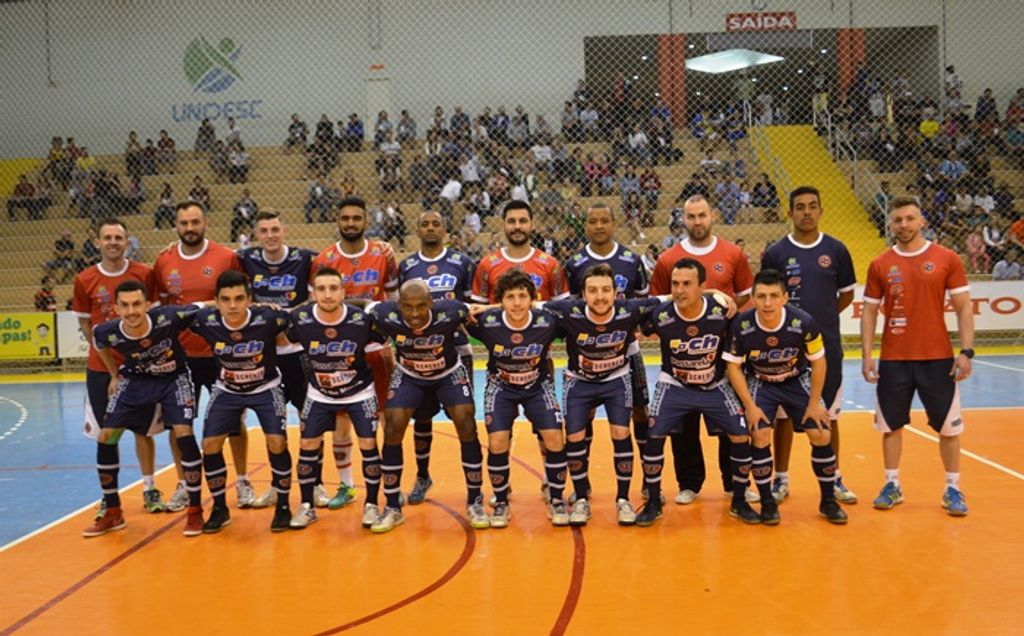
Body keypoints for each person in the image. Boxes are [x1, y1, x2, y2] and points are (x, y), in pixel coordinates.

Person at [861, 196, 974, 517]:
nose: (904, 225)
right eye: (898, 220)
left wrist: (966, 351)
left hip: (938, 358)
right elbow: (869, 312)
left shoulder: (946, 258)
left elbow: (964, 307)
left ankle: (952, 487)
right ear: (890, 224)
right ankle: (891, 484)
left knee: (949, 429)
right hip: (894, 360)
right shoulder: (880, 264)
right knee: (890, 426)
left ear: (922, 220)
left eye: (910, 219)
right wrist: (868, 356)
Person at [650, 195, 756, 506]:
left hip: (723, 355)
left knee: (729, 423)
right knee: (683, 426)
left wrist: (729, 315)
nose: (697, 221)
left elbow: (745, 296)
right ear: (683, 219)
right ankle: (689, 483)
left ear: (713, 215)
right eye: (691, 216)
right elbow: (661, 302)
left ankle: (733, 482)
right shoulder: (669, 258)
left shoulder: (732, 253)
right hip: (681, 354)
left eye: (702, 215)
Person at [635, 259, 755, 526]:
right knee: (654, 433)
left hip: (715, 385)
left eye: (687, 284)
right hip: (675, 384)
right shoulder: (661, 314)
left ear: (702, 286)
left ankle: (739, 498)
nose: (679, 290)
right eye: (675, 284)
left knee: (739, 432)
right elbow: (636, 328)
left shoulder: (722, 311)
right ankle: (653, 501)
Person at [724, 269, 848, 525]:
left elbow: (819, 362)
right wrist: (750, 406)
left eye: (773, 296)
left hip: (796, 379)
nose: (767, 303)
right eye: (761, 297)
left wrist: (814, 404)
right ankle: (768, 502)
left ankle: (828, 501)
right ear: (753, 299)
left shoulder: (803, 322)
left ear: (785, 298)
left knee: (821, 431)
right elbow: (733, 366)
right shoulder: (742, 324)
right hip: (760, 381)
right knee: (759, 433)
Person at [541, 264, 663, 526]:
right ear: (582, 295)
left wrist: (715, 294)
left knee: (621, 433)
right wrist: (484, 309)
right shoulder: (567, 311)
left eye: (606, 290)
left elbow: (670, 298)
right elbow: (528, 306)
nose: (600, 296)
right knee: (574, 436)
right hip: (579, 382)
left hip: (616, 380)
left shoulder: (629, 310)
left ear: (616, 293)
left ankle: (623, 499)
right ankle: (582, 498)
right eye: (593, 291)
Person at [84, 281, 205, 538]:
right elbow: (99, 344)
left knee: (183, 431)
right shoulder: (107, 331)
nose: (131, 311)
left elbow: (207, 305)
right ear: (115, 308)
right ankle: (114, 511)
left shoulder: (169, 317)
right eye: (125, 306)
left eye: (137, 304)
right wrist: (114, 374)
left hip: (174, 378)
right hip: (135, 379)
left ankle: (195, 510)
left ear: (147, 305)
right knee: (107, 436)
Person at [761, 186, 858, 505]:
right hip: (787, 348)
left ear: (820, 211)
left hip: (825, 345)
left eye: (812, 206)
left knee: (828, 414)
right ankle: (781, 478)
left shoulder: (837, 249)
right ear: (789, 213)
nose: (806, 212)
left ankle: (835, 476)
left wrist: (819, 323)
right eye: (799, 207)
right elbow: (767, 295)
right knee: (783, 417)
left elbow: (845, 295)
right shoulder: (776, 252)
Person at [367, 280, 486, 533]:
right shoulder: (385, 313)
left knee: (466, 421)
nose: (414, 314)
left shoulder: (451, 311)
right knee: (393, 426)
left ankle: (475, 501)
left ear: (432, 303)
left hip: (448, 373)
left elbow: (479, 309)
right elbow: (361, 306)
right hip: (409, 374)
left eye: (421, 306)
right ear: (398, 305)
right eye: (407, 307)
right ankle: (391, 507)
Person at [152, 202, 248, 511]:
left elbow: (241, 300)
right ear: (176, 226)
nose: (190, 227)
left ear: (205, 222)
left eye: (195, 221)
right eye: (184, 223)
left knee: (234, 421)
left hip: (220, 352)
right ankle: (184, 482)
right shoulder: (164, 260)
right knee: (178, 424)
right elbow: (161, 308)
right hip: (180, 355)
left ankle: (243, 481)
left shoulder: (225, 256)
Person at [72, 218, 165, 518]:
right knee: (107, 434)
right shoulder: (84, 279)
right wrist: (108, 359)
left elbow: (154, 311)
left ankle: (150, 488)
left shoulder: (144, 273)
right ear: (97, 242)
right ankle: (109, 499)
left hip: (141, 367)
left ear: (127, 242)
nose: (113, 242)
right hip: (101, 370)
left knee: (143, 430)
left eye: (119, 237)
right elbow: (87, 325)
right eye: (107, 237)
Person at [187, 272, 293, 532]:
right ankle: (220, 508)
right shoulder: (205, 320)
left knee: (277, 441)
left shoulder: (269, 319)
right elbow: (182, 312)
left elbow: (297, 317)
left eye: (238, 299)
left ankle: (283, 505)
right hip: (228, 389)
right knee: (210, 445)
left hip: (265, 387)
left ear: (249, 300)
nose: (232, 305)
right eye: (225, 300)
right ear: (217, 301)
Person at [284, 268, 388, 528]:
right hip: (320, 393)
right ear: (313, 293)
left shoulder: (361, 321)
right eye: (321, 289)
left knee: (367, 443)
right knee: (307, 445)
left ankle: (372, 505)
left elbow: (383, 341)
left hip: (359, 392)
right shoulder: (300, 319)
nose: (328, 294)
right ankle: (307, 506)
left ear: (343, 291)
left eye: (333, 288)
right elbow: (287, 339)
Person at [311, 196, 399, 505]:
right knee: (341, 419)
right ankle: (347, 486)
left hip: (375, 347)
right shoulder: (323, 259)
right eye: (345, 218)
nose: (351, 223)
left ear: (365, 220)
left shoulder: (382, 254)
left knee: (389, 418)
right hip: (339, 352)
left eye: (356, 218)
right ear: (338, 220)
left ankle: (391, 485)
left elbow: (392, 298)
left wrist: (390, 339)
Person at [466, 270, 568, 527]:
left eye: (522, 296)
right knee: (498, 440)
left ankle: (556, 498)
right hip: (501, 385)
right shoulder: (488, 321)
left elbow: (574, 313)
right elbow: (457, 315)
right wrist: (471, 310)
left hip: (537, 384)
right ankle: (501, 500)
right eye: (510, 297)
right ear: (500, 301)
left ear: (532, 299)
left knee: (555, 436)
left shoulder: (547, 321)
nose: (517, 303)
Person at [236, 210, 324, 508]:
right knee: (273, 426)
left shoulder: (305, 258)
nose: (270, 235)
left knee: (309, 422)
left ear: (283, 229)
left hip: (298, 355)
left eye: (275, 229)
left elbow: (329, 270)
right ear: (256, 234)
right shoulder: (245, 259)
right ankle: (277, 485)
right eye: (264, 230)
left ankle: (318, 485)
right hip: (266, 356)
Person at [396, 211, 477, 505]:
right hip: (419, 352)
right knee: (421, 419)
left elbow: (470, 305)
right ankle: (422, 476)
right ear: (417, 229)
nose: (431, 228)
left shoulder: (462, 263)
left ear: (445, 229)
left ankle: (474, 486)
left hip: (455, 349)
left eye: (436, 224)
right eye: (425, 224)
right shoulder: (406, 265)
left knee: (464, 419)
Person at [563, 203, 651, 468]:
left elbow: (642, 304)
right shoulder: (574, 263)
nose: (599, 226)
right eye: (593, 221)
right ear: (586, 226)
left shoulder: (632, 260)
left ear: (614, 224)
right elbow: (569, 310)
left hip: (626, 351)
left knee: (639, 409)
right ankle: (583, 478)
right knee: (582, 415)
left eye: (604, 220)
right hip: (586, 352)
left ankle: (649, 473)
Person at [471, 200, 569, 304]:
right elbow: (479, 309)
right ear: (503, 224)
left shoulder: (551, 265)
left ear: (532, 225)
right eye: (511, 221)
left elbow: (562, 309)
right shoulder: (486, 265)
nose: (517, 226)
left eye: (523, 221)